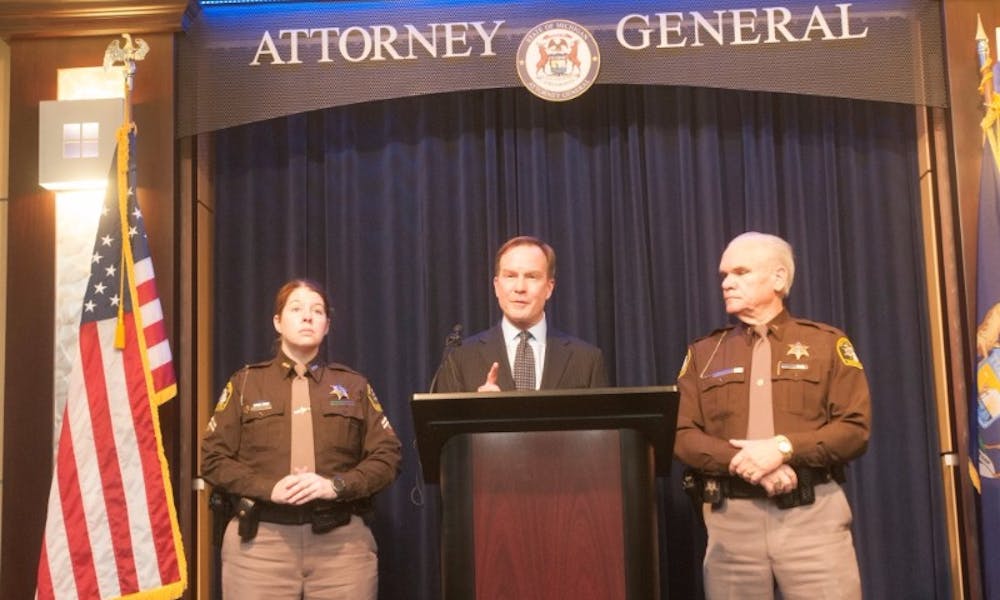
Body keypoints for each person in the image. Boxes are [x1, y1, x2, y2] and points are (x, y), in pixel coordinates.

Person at [675, 232, 870, 600]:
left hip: (813, 519)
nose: (727, 282)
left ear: (779, 279)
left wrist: (782, 448)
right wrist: (744, 460)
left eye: (741, 272)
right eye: (724, 275)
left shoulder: (826, 344)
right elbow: (681, 433)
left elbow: (854, 429)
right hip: (732, 523)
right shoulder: (705, 353)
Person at [202, 278, 401, 600]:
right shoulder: (245, 384)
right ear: (277, 322)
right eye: (296, 309)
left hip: (342, 547)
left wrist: (336, 485)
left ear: (327, 325)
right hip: (260, 546)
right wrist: (268, 488)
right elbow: (213, 458)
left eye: (317, 310)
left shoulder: (353, 385)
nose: (307, 316)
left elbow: (388, 457)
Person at [431, 235, 607, 392]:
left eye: (532, 276)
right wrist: (480, 413)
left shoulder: (587, 360)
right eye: (510, 276)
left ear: (549, 287)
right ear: (497, 286)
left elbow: (602, 428)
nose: (520, 288)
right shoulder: (460, 358)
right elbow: (442, 428)